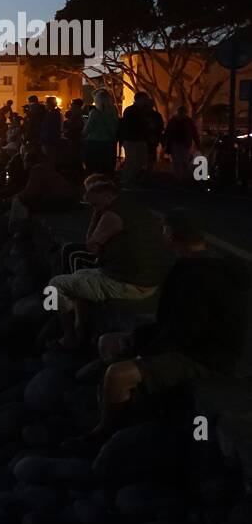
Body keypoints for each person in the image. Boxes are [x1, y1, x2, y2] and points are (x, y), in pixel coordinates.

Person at [80, 210, 250, 442]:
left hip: (207, 355)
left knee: (118, 374)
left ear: (171, 235)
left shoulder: (197, 276)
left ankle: (107, 431)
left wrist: (143, 351)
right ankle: (127, 405)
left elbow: (185, 332)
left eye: (163, 230)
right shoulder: (200, 264)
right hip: (195, 342)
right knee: (109, 341)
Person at [46, 178, 169, 348]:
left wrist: (96, 215)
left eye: (95, 205)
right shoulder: (132, 207)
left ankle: (69, 337)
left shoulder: (112, 215)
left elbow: (91, 245)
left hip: (129, 285)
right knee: (78, 276)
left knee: (55, 285)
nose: (93, 209)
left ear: (107, 197)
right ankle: (81, 330)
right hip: (142, 279)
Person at [117, 92, 155, 187]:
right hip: (132, 139)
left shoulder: (139, 111)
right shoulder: (132, 111)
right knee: (132, 160)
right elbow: (132, 125)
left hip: (139, 139)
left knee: (139, 160)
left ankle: (131, 179)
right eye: (144, 99)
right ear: (139, 99)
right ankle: (127, 180)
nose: (145, 101)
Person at [82, 88, 119, 176]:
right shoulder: (113, 111)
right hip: (109, 141)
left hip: (94, 141)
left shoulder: (94, 113)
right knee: (106, 166)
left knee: (93, 166)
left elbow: (88, 128)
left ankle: (93, 183)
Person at [163, 105, 200, 183]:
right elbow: (167, 132)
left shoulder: (186, 121)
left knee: (183, 161)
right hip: (176, 143)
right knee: (178, 161)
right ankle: (179, 177)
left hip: (183, 144)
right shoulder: (175, 121)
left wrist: (198, 143)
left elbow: (194, 133)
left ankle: (181, 177)